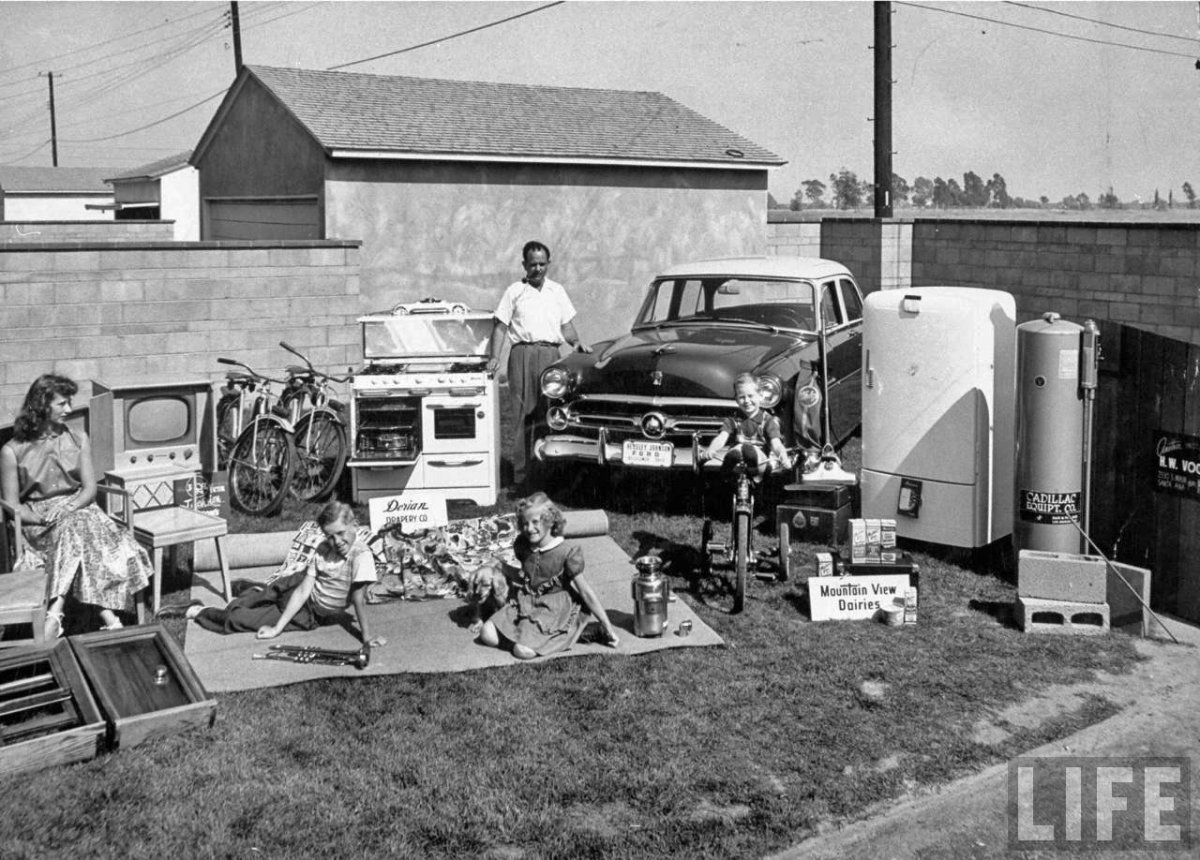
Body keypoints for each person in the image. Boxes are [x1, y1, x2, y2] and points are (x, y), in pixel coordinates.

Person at [0, 374, 153, 638]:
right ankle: (109, 618)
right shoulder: (12, 451)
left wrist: (70, 507)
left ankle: (56, 611)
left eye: (68, 403)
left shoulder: (77, 437)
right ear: (41, 405)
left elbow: (90, 488)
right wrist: (42, 519)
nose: (69, 410)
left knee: (75, 525)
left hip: (80, 508)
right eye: (62, 404)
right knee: (76, 528)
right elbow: (13, 505)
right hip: (38, 519)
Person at [165, 501, 385, 648]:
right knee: (271, 591)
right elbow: (302, 590)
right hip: (299, 586)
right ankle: (254, 590)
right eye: (330, 536)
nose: (337, 542)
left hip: (309, 614)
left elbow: (358, 599)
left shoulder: (361, 556)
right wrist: (278, 627)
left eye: (341, 533)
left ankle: (197, 610)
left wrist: (366, 637)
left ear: (354, 524)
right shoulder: (322, 549)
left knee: (235, 617)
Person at [486, 240, 592, 488]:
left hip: (551, 356)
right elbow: (500, 327)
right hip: (522, 354)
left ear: (549, 264)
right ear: (524, 264)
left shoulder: (557, 291)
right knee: (523, 414)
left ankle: (548, 472)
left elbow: (566, 325)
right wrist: (494, 358)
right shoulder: (514, 291)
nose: (537, 269)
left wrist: (576, 343)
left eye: (542, 264)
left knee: (551, 412)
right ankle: (522, 477)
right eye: (532, 264)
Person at [480, 493, 619, 660]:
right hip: (527, 602)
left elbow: (586, 592)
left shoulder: (566, 552)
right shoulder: (524, 546)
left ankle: (584, 632)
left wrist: (608, 626)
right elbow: (526, 578)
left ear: (550, 521)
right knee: (487, 634)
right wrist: (500, 566)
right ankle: (532, 638)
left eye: (535, 522)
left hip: (554, 609)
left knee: (522, 651)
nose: (529, 528)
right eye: (524, 523)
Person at [698, 372, 794, 474]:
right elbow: (721, 438)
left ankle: (746, 460)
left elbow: (776, 443)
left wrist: (782, 455)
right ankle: (728, 469)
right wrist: (712, 449)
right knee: (736, 451)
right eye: (742, 397)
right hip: (738, 464)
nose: (747, 401)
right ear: (736, 399)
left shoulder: (768, 421)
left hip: (759, 462)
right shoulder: (733, 420)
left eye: (750, 396)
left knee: (750, 452)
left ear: (760, 395)